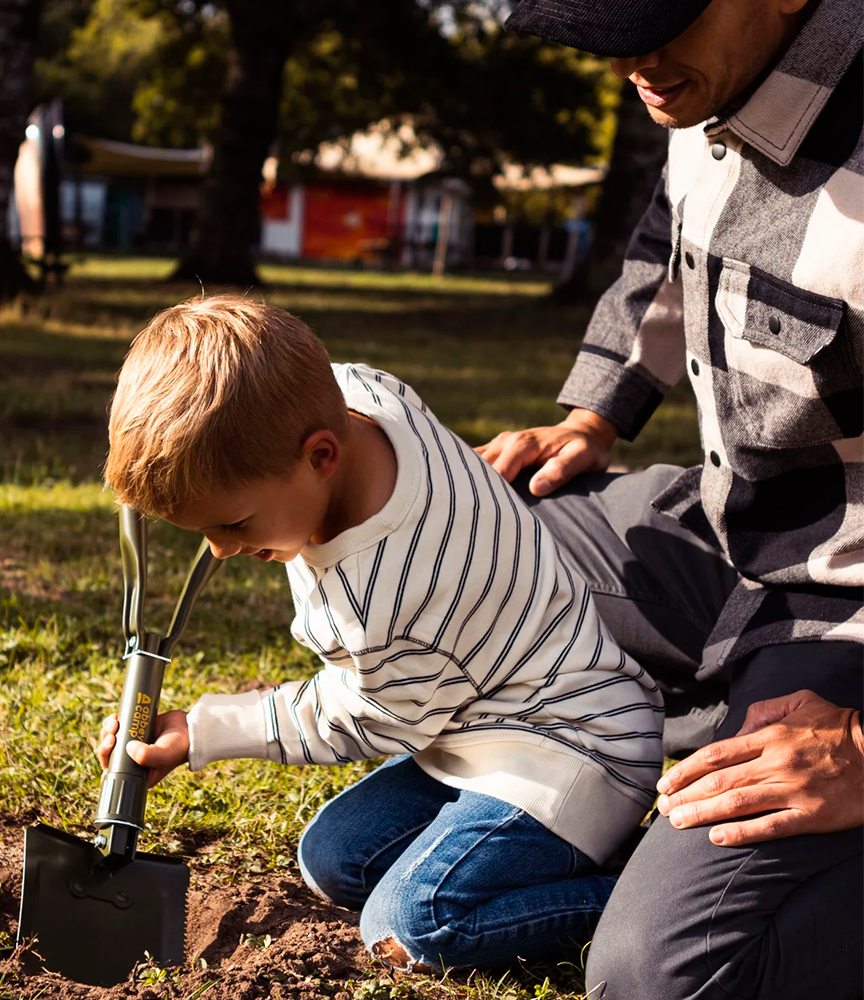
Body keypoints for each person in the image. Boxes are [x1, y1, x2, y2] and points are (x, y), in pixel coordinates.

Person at [96, 294, 664, 973]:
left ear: (320, 455)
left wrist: (208, 730)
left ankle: (649, 894)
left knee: (412, 925)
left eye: (236, 524)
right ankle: (542, 862)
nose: (218, 550)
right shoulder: (353, 391)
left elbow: (361, 719)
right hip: (471, 721)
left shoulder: (386, 595)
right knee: (334, 858)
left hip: (573, 751)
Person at [479, 0, 864, 996]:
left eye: (655, 20)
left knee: (666, 973)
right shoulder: (714, 84)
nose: (631, 61)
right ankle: (700, 725)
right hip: (734, 541)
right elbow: (667, 250)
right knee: (476, 536)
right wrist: (590, 420)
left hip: (846, 611)